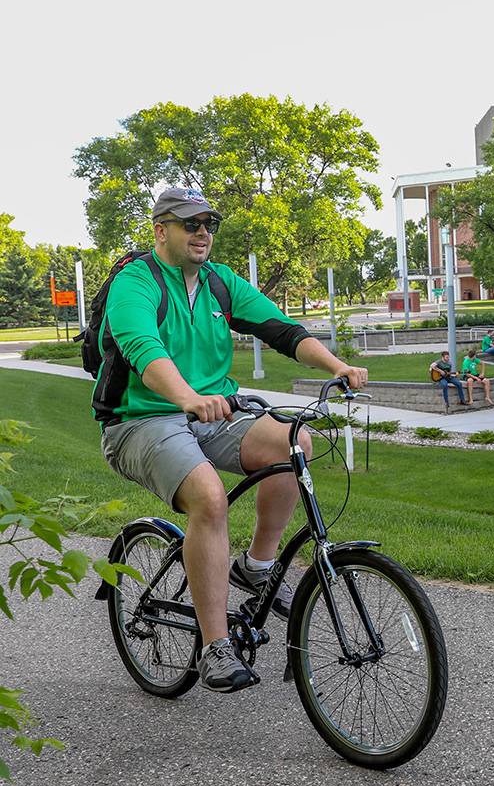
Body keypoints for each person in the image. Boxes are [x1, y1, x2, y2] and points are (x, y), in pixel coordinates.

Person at [96, 187, 368, 694]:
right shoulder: (134, 283)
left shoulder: (222, 284)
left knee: (295, 444)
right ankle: (216, 646)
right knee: (209, 498)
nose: (203, 233)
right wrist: (187, 396)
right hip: (140, 419)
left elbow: (283, 331)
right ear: (161, 230)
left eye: (209, 224)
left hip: (212, 412)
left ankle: (257, 566)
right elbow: (142, 349)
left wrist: (337, 366)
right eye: (189, 224)